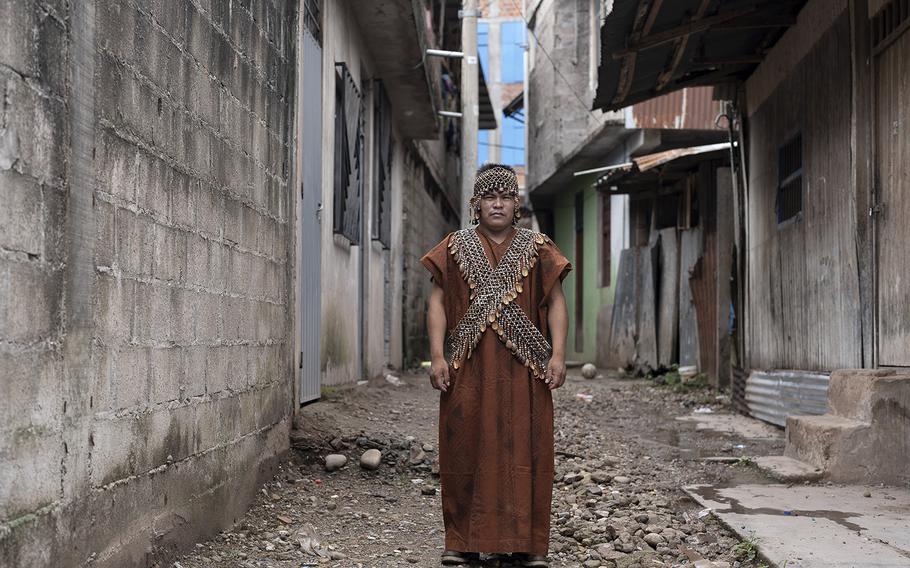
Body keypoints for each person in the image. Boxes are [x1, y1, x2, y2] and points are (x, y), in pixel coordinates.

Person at [420, 164, 571, 567]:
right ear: (476, 204)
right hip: (467, 370)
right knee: (463, 447)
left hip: (526, 371)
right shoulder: (455, 246)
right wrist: (437, 355)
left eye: (505, 196)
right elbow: (436, 302)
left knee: (529, 451)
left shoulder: (538, 247)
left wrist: (557, 355)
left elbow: (556, 301)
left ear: (516, 203)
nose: (498, 203)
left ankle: (529, 546)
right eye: (490, 197)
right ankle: (461, 543)